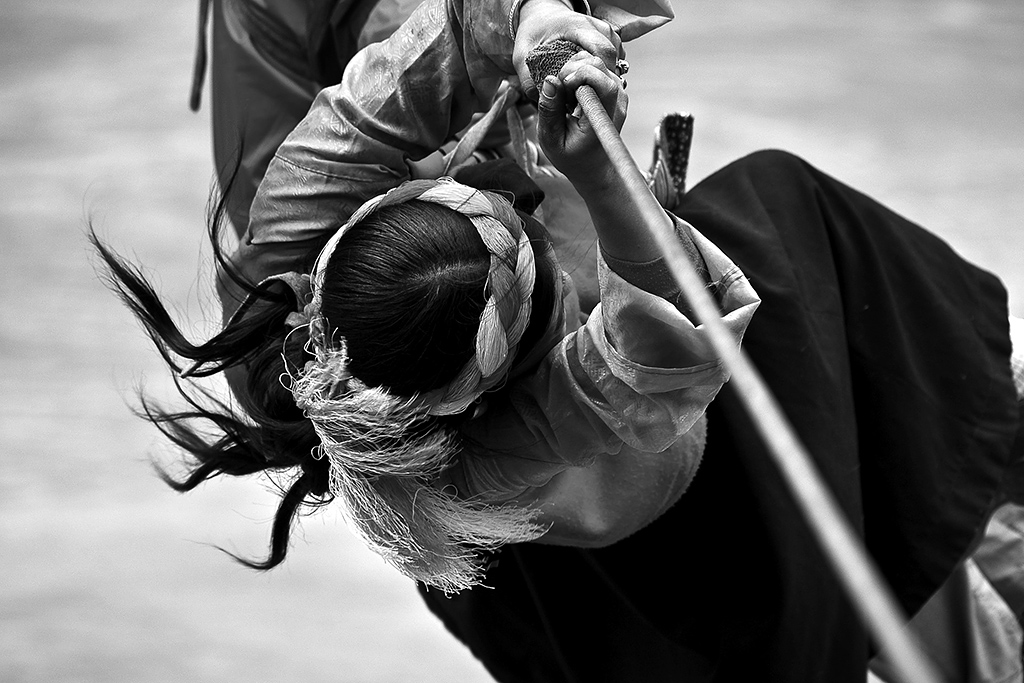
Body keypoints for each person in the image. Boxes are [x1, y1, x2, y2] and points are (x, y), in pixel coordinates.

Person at [95, 0, 1024, 680]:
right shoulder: (520, 442)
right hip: (695, 520)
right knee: (801, 246)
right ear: (539, 349)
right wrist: (603, 184)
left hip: (574, 559)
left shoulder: (282, 288)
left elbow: (380, 98)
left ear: (361, 228)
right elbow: (665, 341)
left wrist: (526, 25)